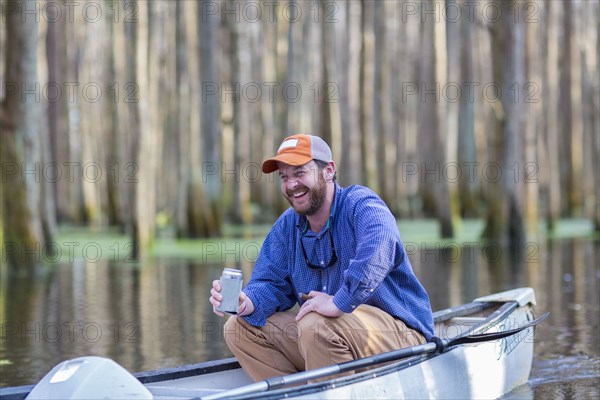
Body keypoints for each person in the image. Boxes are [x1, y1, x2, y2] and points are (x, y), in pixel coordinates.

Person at [209, 134, 434, 382]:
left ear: (328, 170)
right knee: (239, 327)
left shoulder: (361, 204)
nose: (291, 184)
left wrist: (340, 301)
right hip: (324, 335)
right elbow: (270, 283)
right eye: (284, 177)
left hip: (402, 338)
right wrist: (246, 301)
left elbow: (381, 244)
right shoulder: (287, 227)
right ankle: (295, 395)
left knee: (316, 324)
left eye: (299, 173)